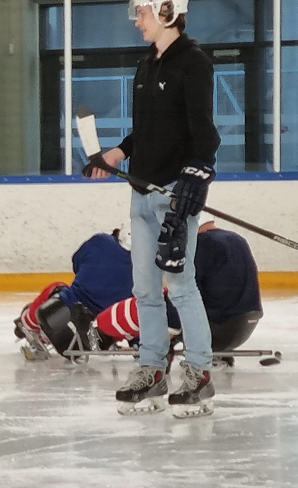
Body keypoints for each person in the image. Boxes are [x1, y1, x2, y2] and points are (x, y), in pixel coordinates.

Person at [85, 0, 220, 417]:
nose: (137, 21)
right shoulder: (146, 67)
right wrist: (116, 154)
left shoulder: (193, 63)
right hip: (141, 192)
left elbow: (204, 133)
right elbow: (144, 130)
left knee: (180, 284)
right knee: (144, 288)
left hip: (175, 194)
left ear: (166, 12)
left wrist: (197, 177)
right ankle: (152, 368)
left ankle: (198, 372)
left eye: (142, 13)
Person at [91, 218, 263, 360]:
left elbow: (183, 295)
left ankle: (102, 333)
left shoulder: (199, 245)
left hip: (215, 331)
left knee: (149, 303)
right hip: (243, 328)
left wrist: (168, 331)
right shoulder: (236, 238)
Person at [14, 228, 133, 357]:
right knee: (132, 313)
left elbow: (76, 262)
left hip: (58, 313)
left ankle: (27, 324)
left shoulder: (101, 241)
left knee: (57, 287)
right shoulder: (147, 269)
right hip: (97, 339)